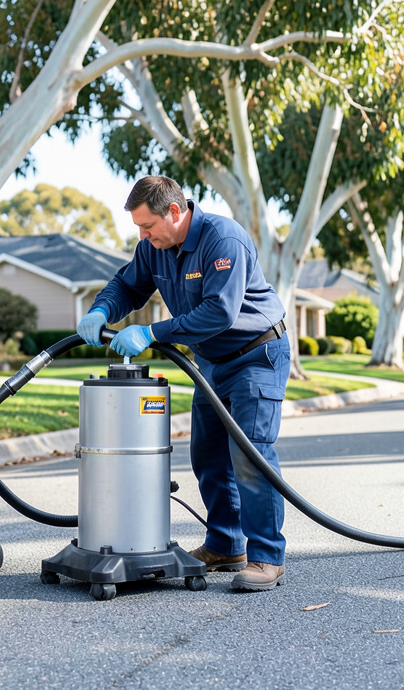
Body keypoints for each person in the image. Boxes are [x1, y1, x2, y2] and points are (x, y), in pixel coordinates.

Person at [78, 175, 291, 591]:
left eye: (147, 226)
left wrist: (151, 332)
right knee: (208, 456)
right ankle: (226, 545)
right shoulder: (154, 248)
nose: (143, 236)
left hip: (256, 355)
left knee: (250, 455)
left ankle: (267, 557)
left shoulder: (222, 239)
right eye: (139, 228)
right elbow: (127, 286)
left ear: (174, 212)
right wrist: (102, 309)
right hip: (211, 361)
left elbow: (220, 312)